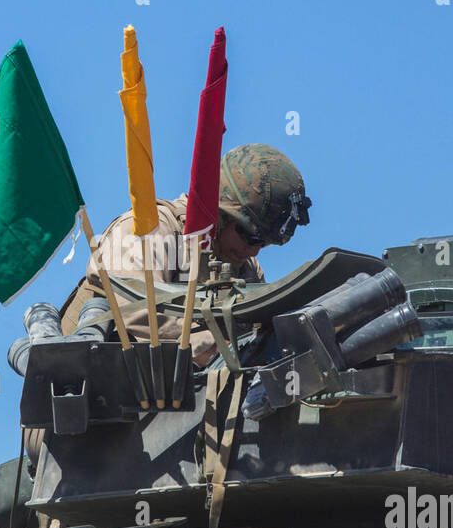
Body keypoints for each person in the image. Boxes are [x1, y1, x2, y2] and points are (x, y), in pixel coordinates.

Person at [59, 143, 311, 363]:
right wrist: (214, 346)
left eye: (264, 243)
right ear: (219, 213)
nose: (254, 250)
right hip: (93, 397)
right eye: (251, 236)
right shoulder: (151, 229)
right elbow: (136, 311)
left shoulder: (244, 268)